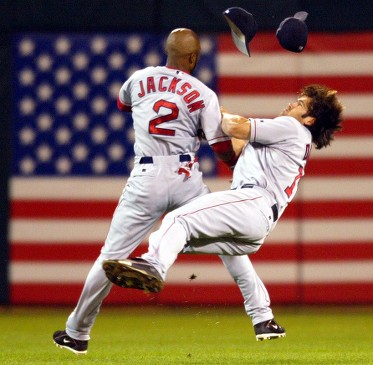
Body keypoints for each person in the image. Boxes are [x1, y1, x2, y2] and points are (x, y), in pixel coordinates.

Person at [53, 28, 283, 355]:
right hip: (186, 176)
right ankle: (262, 317)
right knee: (225, 242)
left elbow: (124, 105)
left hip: (146, 175)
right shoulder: (203, 93)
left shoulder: (139, 79)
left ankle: (77, 332)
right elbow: (220, 147)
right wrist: (236, 157)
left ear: (167, 51)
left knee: (110, 256)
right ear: (192, 58)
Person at [103, 84, 344, 337]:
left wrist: (208, 108)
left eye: (301, 104)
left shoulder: (292, 127)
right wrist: (215, 113)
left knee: (178, 219)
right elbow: (238, 145)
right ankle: (263, 318)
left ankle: (153, 265)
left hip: (253, 202)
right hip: (257, 222)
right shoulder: (288, 137)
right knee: (185, 242)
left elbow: (235, 126)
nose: (292, 104)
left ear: (310, 119)